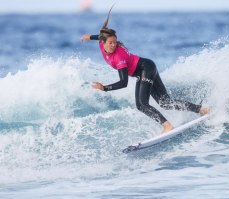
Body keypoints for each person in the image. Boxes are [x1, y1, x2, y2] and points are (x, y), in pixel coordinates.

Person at [80, 6, 209, 134]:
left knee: (142, 105)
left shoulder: (119, 56)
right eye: (111, 43)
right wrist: (89, 37)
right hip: (148, 66)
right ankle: (201, 109)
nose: (113, 45)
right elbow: (100, 36)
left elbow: (123, 82)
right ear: (103, 43)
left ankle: (168, 126)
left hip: (145, 69)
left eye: (115, 42)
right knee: (165, 103)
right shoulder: (102, 42)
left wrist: (105, 88)